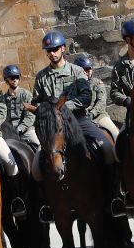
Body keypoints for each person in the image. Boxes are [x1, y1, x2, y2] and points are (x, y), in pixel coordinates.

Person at [32, 31, 113, 166]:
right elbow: (36, 101)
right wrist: (47, 112)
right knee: (36, 167)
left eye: (55, 49)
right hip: (53, 126)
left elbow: (86, 96)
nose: (52, 53)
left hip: (78, 119)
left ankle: (113, 185)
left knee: (108, 149)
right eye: (48, 51)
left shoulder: (77, 71)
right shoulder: (41, 77)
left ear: (63, 48)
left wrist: (64, 107)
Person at [74, 54, 118, 146]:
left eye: (89, 69)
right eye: (85, 69)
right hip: (80, 118)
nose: (88, 72)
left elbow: (101, 102)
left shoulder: (97, 83)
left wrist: (92, 113)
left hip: (98, 116)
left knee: (116, 134)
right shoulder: (72, 86)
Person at [0, 63, 36, 145]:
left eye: (17, 77)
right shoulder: (3, 99)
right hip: (9, 133)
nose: (15, 80)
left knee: (39, 145)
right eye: (12, 78)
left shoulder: (26, 95)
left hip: (26, 130)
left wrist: (20, 129)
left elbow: (30, 116)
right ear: (6, 80)